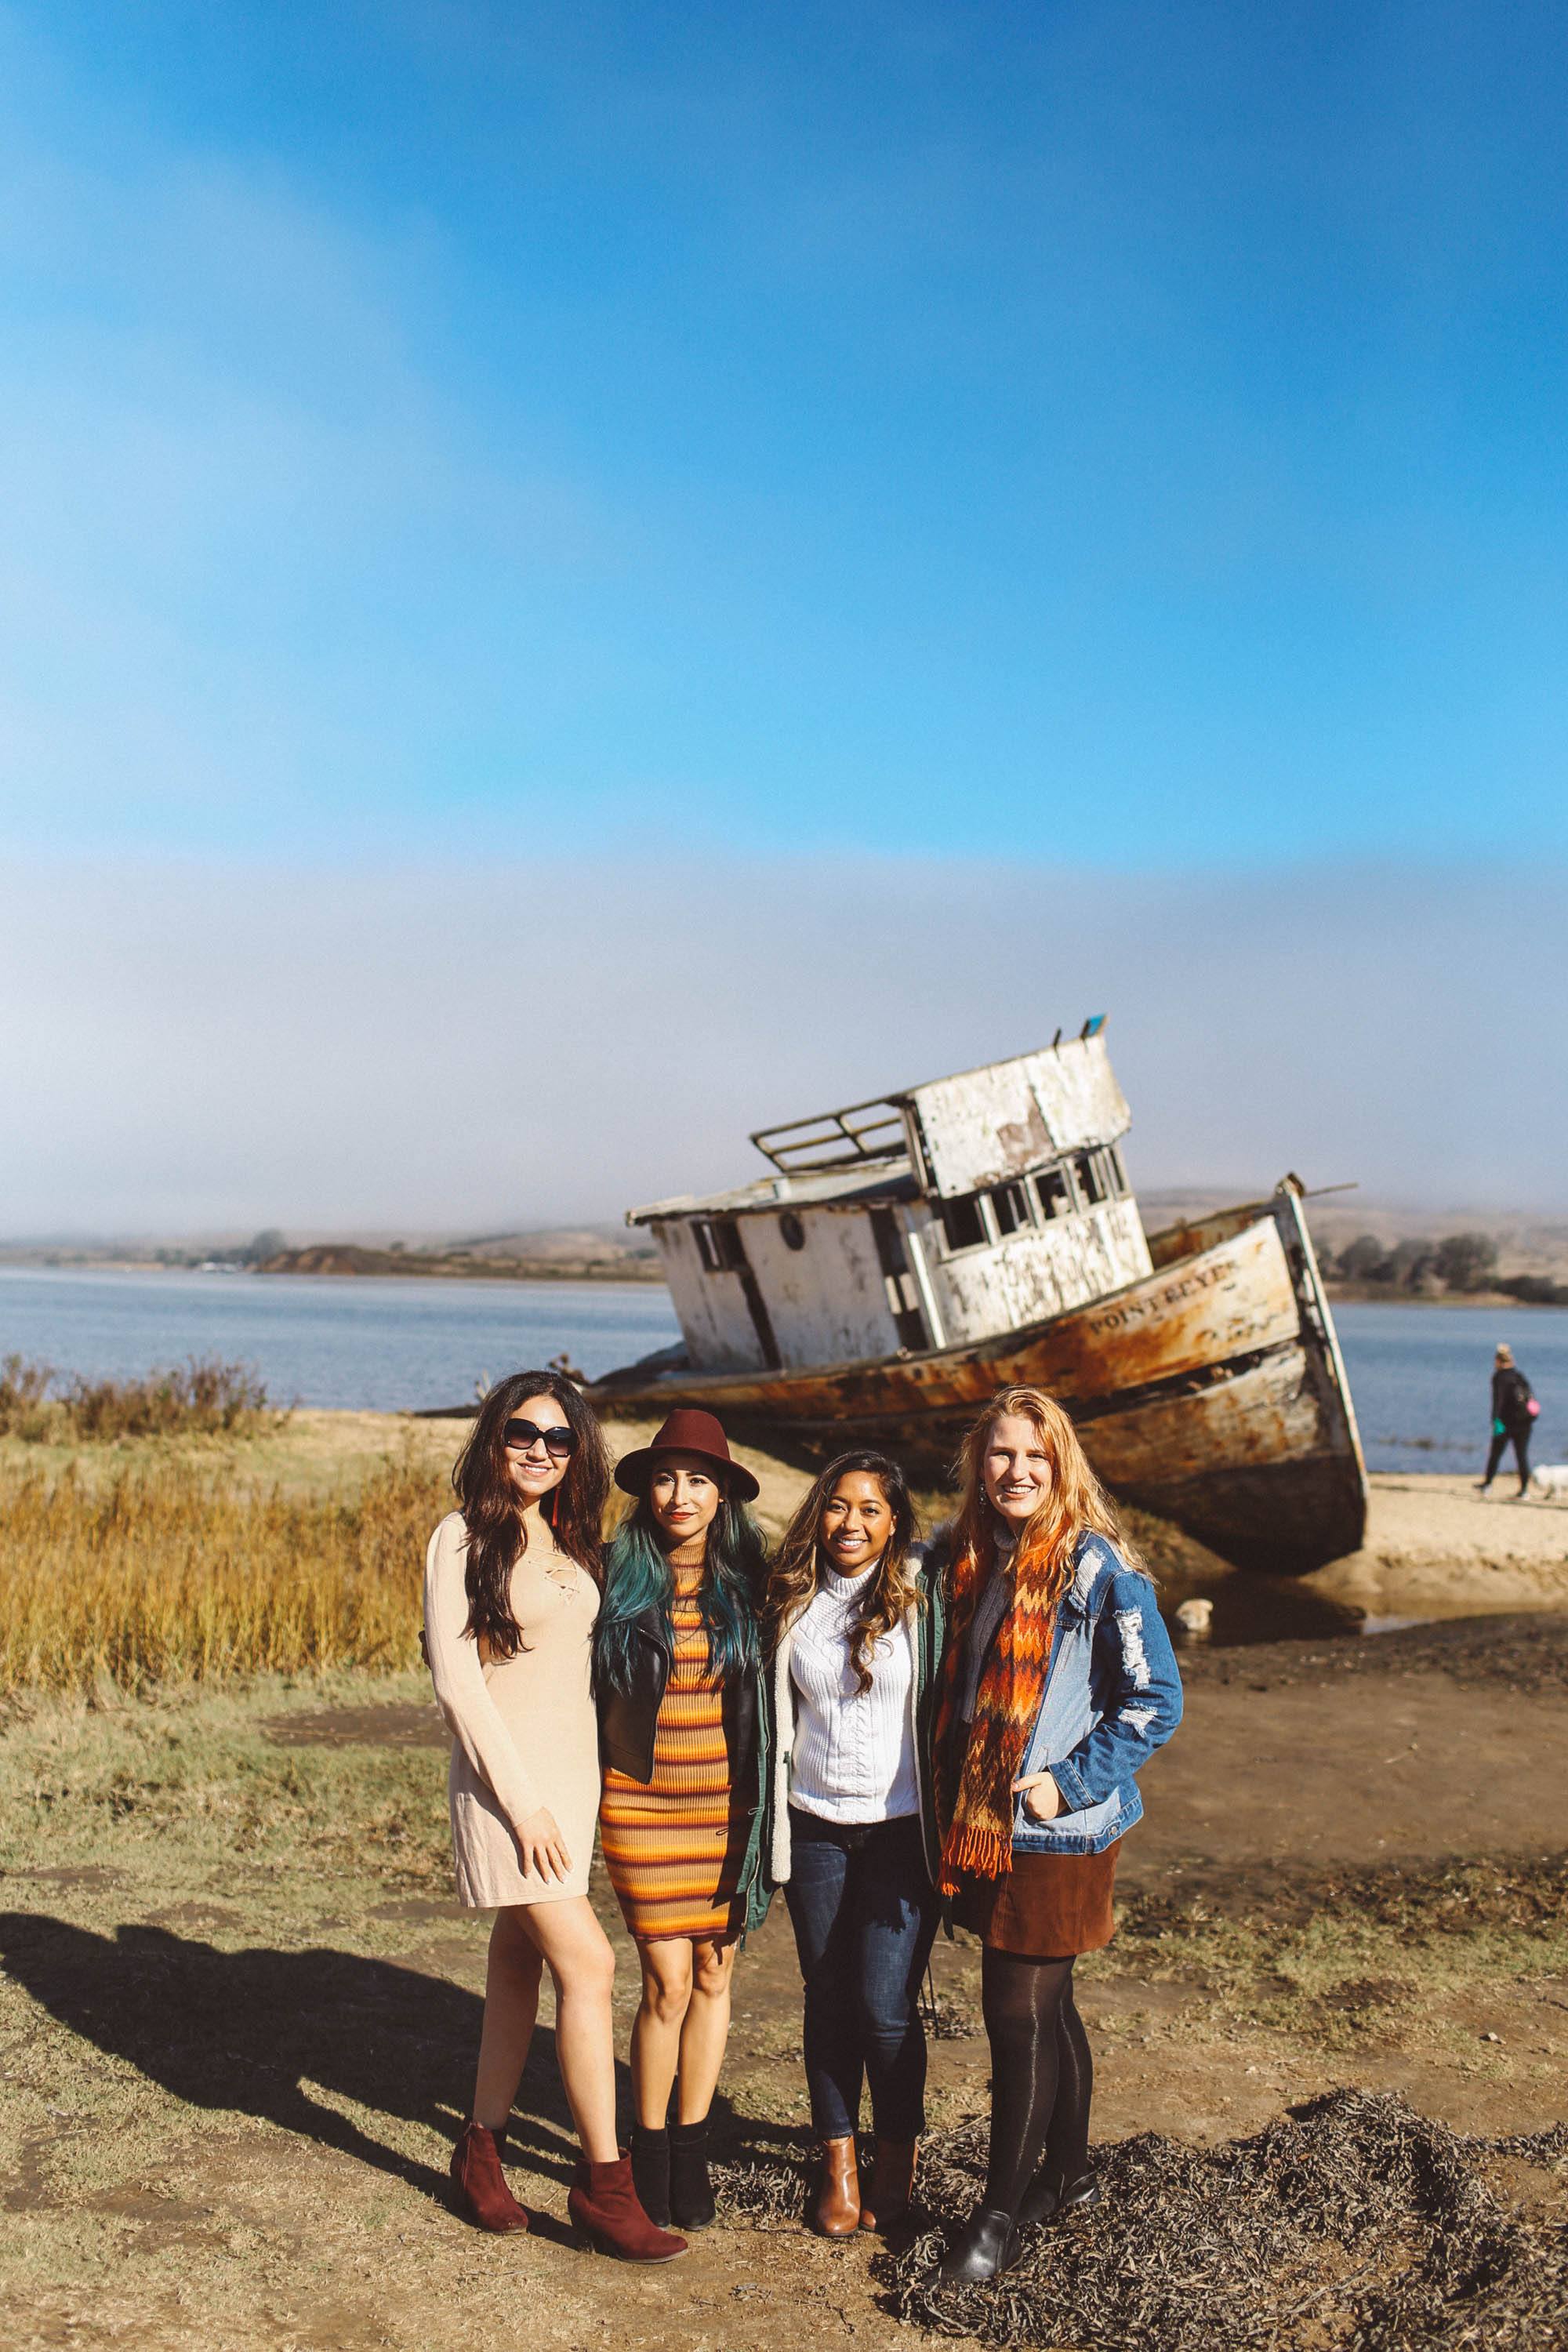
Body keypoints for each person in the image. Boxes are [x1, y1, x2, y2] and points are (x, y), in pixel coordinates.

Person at [423, 1370, 687, 2262]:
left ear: (578, 1451)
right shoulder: (461, 1537)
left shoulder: (572, 1541)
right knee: (590, 1965)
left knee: (515, 1969)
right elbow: (459, 1685)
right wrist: (522, 1803)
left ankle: (480, 2152)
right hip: (510, 1795)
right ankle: (603, 2186)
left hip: (572, 1789)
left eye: (559, 1438)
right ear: (495, 1440)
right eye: (522, 1434)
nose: (540, 1450)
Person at [931, 1385, 1182, 2285]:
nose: (1016, 1471)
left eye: (1034, 1456)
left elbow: (1155, 1702)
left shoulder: (1098, 1569)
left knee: (1013, 2013)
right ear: (977, 1463)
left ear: (1060, 1464)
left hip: (1056, 1830)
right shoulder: (969, 1554)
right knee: (1049, 2004)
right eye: (1000, 1454)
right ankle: (1067, 2174)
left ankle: (998, 2212)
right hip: (986, 1824)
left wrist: (1068, 1783)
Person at [594, 1409, 771, 2234]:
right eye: (666, 1477)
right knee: (664, 1982)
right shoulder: (611, 1574)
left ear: (723, 1495)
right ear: (647, 1487)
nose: (680, 1494)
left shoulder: (753, 1585)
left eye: (698, 1479)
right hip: (638, 1802)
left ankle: (691, 2148)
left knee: (712, 1974)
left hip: (724, 1809)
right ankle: (650, 2147)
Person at [764, 1450, 946, 2239]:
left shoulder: (926, 1598)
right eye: (838, 1505)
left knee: (882, 2007)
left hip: (902, 1831)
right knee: (827, 2000)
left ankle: (895, 2165)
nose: (850, 1523)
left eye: (870, 1509)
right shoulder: (789, 1598)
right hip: (813, 1830)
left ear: (894, 1521)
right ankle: (837, 2163)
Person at [1477, 1343, 1537, 1498]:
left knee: (1496, 1454)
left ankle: (1487, 1484)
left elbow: (1498, 1400)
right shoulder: (1519, 1376)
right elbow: (1531, 1398)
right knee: (1522, 1456)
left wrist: (1495, 1421)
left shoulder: (1499, 1377)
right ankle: (1524, 1490)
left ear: (1497, 1361)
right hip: (1525, 1423)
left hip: (1505, 1423)